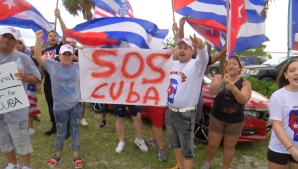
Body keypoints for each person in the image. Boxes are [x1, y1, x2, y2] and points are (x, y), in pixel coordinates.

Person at [34, 30, 84, 168]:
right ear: (59, 56)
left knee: (75, 130)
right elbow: (38, 56)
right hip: (59, 106)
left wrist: (78, 57)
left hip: (76, 104)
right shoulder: (53, 65)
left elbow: (94, 63)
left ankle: (76, 156)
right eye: (64, 54)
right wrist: (38, 39)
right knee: (60, 131)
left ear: (72, 55)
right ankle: (57, 156)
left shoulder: (79, 66)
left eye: (69, 54)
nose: (67, 57)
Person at [201, 56, 252, 169]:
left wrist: (232, 87)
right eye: (229, 63)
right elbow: (212, 91)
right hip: (217, 118)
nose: (231, 65)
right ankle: (207, 163)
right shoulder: (219, 77)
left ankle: (225, 167)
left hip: (235, 121)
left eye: (235, 64)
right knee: (212, 144)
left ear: (239, 68)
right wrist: (222, 83)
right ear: (226, 67)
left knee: (229, 146)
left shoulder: (245, 83)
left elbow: (243, 100)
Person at [0, 27, 41, 169]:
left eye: (11, 38)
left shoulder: (23, 57)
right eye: (4, 36)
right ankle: (12, 163)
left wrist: (25, 77)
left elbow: (37, 77)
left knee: (21, 138)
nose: (6, 40)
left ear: (15, 42)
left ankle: (25, 166)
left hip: (16, 107)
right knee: (2, 138)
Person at [165, 35, 208, 169]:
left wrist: (201, 46)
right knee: (175, 143)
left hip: (185, 114)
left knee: (187, 149)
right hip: (170, 111)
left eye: (186, 48)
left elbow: (204, 58)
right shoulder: (172, 63)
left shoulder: (196, 65)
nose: (182, 50)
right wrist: (168, 51)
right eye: (180, 47)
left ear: (192, 51)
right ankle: (180, 166)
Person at [37, 9, 68, 136]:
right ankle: (54, 126)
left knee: (63, 105)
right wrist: (39, 82)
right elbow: (41, 67)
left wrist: (59, 18)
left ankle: (66, 128)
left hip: (61, 80)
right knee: (51, 104)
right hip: (49, 82)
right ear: (47, 39)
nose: (53, 36)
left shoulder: (61, 47)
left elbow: (66, 33)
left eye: (55, 35)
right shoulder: (44, 52)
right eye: (50, 35)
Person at [267, 58, 298, 169]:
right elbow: (277, 126)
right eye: (292, 70)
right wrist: (292, 149)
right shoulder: (278, 96)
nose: (296, 73)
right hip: (279, 148)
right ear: (286, 75)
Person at [14, 38, 41, 135]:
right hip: (14, 88)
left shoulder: (27, 57)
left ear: (23, 46)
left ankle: (30, 126)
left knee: (29, 106)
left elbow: (36, 73)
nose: (17, 45)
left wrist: (37, 83)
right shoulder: (6, 57)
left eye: (20, 44)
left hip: (29, 86)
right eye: (15, 43)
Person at [68, 41, 88, 126]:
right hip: (67, 78)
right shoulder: (64, 51)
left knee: (81, 99)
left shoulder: (81, 51)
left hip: (80, 78)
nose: (72, 44)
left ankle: (82, 118)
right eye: (70, 42)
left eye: (73, 42)